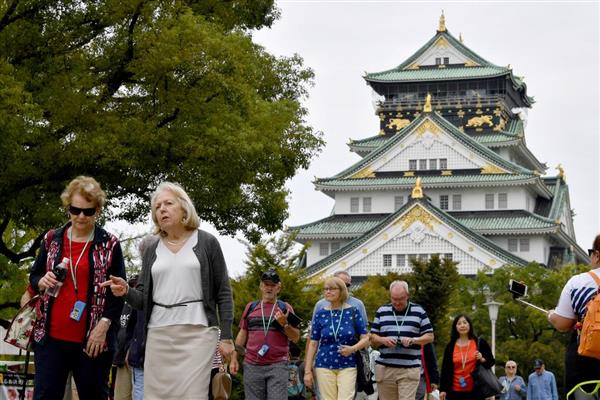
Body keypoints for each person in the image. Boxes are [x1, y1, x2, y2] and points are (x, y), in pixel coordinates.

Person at [102, 181, 234, 399]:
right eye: (157, 207)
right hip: (158, 334)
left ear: (183, 207)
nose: (162, 209)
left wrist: (227, 336)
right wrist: (125, 290)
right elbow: (143, 300)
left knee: (193, 395)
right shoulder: (152, 249)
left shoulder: (207, 242)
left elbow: (223, 292)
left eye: (168, 203)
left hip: (198, 333)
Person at [29, 176, 126, 400]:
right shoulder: (52, 239)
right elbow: (34, 276)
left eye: (88, 211)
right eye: (75, 209)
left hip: (93, 342)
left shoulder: (109, 244)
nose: (81, 216)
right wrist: (41, 281)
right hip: (51, 339)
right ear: (67, 208)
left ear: (98, 210)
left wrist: (103, 327)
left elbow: (118, 291)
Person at [230, 268, 300, 400]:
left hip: (278, 365)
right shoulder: (251, 307)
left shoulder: (285, 308)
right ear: (261, 286)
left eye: (272, 285)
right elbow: (242, 334)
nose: (269, 288)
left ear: (278, 288)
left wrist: (284, 324)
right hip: (252, 364)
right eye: (266, 285)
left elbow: (295, 337)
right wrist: (234, 358)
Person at [548, 233, 600, 394]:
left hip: (586, 362)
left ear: (597, 255)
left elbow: (563, 324)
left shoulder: (578, 282)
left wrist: (551, 316)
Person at [304, 276, 370, 400]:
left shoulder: (353, 311)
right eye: (326, 289)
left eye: (332, 289)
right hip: (323, 364)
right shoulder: (320, 313)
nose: (328, 291)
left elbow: (366, 338)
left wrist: (353, 348)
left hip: (348, 364)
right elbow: (313, 343)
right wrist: (307, 371)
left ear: (342, 290)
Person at [370, 280, 434, 400]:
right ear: (390, 296)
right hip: (385, 368)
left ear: (407, 296)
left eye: (401, 299)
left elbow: (430, 336)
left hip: (409, 369)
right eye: (394, 299)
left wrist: (413, 340)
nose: (397, 303)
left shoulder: (419, 311)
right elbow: (372, 337)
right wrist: (383, 340)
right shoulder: (382, 311)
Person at [439, 314, 494, 400]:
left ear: (469, 325)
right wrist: (442, 389)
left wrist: (482, 358)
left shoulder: (480, 342)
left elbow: (491, 361)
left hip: (476, 391)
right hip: (454, 391)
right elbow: (445, 369)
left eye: (465, 322)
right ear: (455, 327)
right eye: (459, 323)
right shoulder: (450, 346)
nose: (462, 325)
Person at [113, 276, 138, 400]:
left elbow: (137, 330)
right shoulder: (123, 304)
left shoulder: (139, 306)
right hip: (121, 358)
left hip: (135, 356)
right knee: (120, 396)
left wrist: (131, 349)